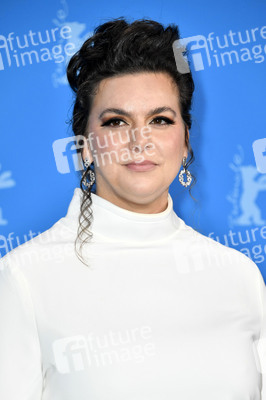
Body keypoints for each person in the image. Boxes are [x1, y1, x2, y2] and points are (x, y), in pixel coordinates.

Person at [0, 16, 266, 400]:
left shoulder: (239, 276)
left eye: (160, 120)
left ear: (186, 139)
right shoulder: (23, 279)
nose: (140, 141)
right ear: (85, 146)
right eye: (115, 122)